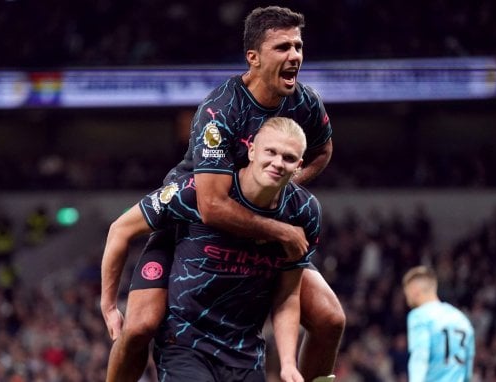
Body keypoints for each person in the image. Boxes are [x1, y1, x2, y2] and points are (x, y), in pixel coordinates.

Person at [101, 6, 343, 382]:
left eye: (298, 46)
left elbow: (323, 152)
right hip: (190, 218)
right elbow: (211, 206)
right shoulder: (220, 111)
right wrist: (280, 230)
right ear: (254, 57)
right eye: (282, 47)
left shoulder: (305, 102)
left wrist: (282, 186)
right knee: (140, 327)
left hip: (258, 218)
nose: (294, 55)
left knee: (330, 318)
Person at [103, 118, 319, 381]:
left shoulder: (303, 212)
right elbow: (120, 229)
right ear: (251, 151)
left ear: (298, 166)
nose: (277, 162)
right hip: (184, 341)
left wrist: (288, 364)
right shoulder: (195, 191)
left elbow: (287, 296)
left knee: (332, 319)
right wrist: (109, 306)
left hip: (244, 352)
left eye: (288, 157)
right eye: (270, 152)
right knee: (138, 329)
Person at [402, 266, 476, 382]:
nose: (407, 298)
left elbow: (420, 357)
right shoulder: (463, 320)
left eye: (406, 293)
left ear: (414, 290)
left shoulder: (419, 315)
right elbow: (468, 370)